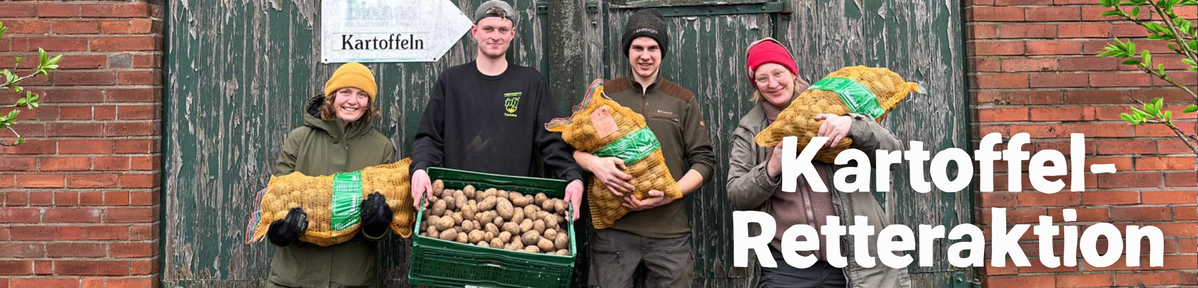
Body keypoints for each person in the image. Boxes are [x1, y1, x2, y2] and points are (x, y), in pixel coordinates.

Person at [726, 38, 913, 288]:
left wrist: (853, 125)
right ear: (756, 85)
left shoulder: (832, 105)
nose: (773, 84)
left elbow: (895, 156)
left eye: (778, 73)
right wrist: (772, 167)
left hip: (853, 257)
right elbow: (738, 194)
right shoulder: (750, 131)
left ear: (792, 72)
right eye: (762, 78)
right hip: (787, 265)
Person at [575, 9, 716, 287]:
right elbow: (576, 147)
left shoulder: (683, 100)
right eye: (637, 47)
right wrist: (594, 165)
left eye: (653, 48)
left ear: (662, 52)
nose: (645, 55)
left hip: (669, 233)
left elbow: (704, 162)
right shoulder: (605, 94)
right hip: (614, 230)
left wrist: (672, 193)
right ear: (628, 51)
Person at [408, 0, 584, 219]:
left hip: (515, 211)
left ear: (512, 33)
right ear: (475, 32)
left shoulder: (530, 82)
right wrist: (419, 170)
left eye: (502, 30)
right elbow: (429, 138)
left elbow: (553, 142)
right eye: (488, 29)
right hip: (459, 209)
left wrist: (573, 177)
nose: (495, 36)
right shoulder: (451, 81)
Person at [265, 62, 398, 288]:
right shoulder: (299, 139)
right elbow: (276, 198)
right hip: (293, 277)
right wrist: (279, 230)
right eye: (345, 92)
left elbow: (386, 218)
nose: (353, 101)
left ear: (369, 103)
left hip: (350, 278)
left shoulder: (382, 148)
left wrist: (377, 225)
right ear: (332, 96)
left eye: (362, 95)